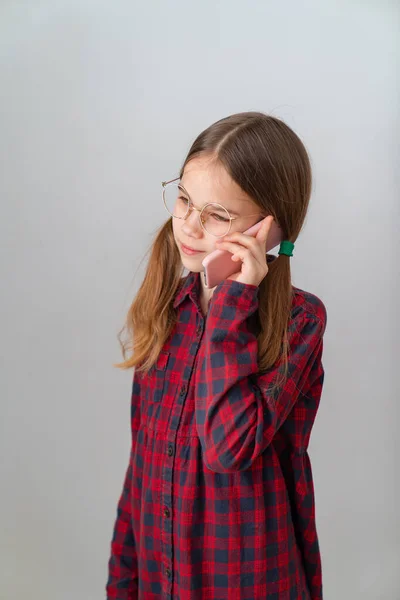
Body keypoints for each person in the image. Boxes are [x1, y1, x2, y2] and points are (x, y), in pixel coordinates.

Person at [106, 111, 327, 600]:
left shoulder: (300, 321)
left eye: (218, 215)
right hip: (161, 582)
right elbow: (142, 468)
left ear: (269, 228)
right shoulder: (167, 304)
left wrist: (231, 310)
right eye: (184, 199)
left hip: (248, 582)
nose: (188, 224)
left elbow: (229, 449)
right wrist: (122, 585)